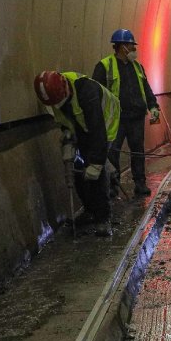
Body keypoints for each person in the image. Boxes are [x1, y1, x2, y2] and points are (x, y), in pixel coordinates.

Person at [34, 70, 120, 237]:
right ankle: (89, 209)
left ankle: (103, 218)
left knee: (96, 171)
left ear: (65, 88)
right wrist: (68, 138)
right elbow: (67, 121)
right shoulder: (57, 96)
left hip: (106, 123)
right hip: (84, 127)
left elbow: (97, 132)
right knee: (79, 167)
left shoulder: (87, 92)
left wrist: (95, 163)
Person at [92, 29, 160, 197]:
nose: (134, 49)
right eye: (132, 46)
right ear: (123, 47)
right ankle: (113, 186)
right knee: (113, 152)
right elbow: (95, 92)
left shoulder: (137, 66)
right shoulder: (104, 66)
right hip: (116, 120)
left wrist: (153, 106)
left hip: (136, 117)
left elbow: (146, 88)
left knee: (137, 150)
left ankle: (140, 183)